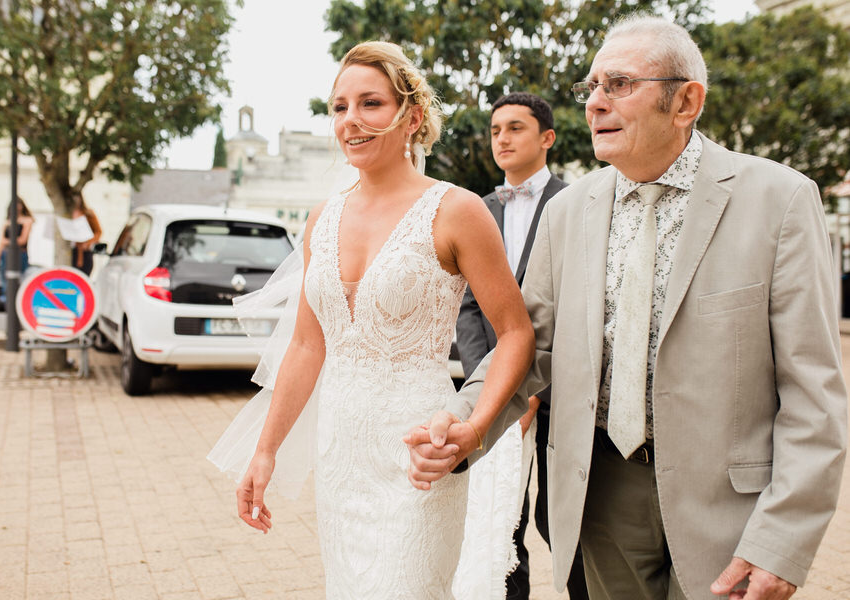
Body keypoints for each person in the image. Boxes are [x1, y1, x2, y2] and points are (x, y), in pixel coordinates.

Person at [408, 14, 847, 600]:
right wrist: (466, 422)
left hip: (730, 509)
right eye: (591, 87)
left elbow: (813, 393)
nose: (594, 103)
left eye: (618, 84)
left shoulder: (782, 199)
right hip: (600, 494)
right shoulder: (568, 212)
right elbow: (530, 345)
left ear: (686, 101)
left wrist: (781, 541)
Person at [209, 41, 534, 598]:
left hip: (421, 455)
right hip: (341, 459)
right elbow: (308, 348)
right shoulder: (323, 217)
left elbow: (514, 333)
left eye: (370, 104)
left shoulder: (456, 210)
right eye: (339, 107)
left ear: (410, 117)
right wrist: (265, 452)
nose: (350, 121)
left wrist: (474, 431)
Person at [453, 92, 587, 600]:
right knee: (501, 522)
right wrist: (492, 384)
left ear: (547, 138)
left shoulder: (577, 206)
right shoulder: (478, 209)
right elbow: (468, 307)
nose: (502, 139)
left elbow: (576, 311)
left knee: (562, 522)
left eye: (515, 128)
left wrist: (533, 390)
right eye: (495, 131)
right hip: (491, 396)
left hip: (561, 397)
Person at [0, 196, 34, 299]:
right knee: (6, 280)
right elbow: (1, 243)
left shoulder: (27, 221)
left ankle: (19, 301)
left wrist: (8, 242)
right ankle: (9, 302)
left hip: (20, 254)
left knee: (21, 279)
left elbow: (22, 240)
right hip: (6, 255)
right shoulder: (8, 222)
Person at [70, 191, 102, 276]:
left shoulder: (88, 214)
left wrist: (88, 243)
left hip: (85, 252)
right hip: (72, 250)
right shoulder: (67, 213)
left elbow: (98, 232)